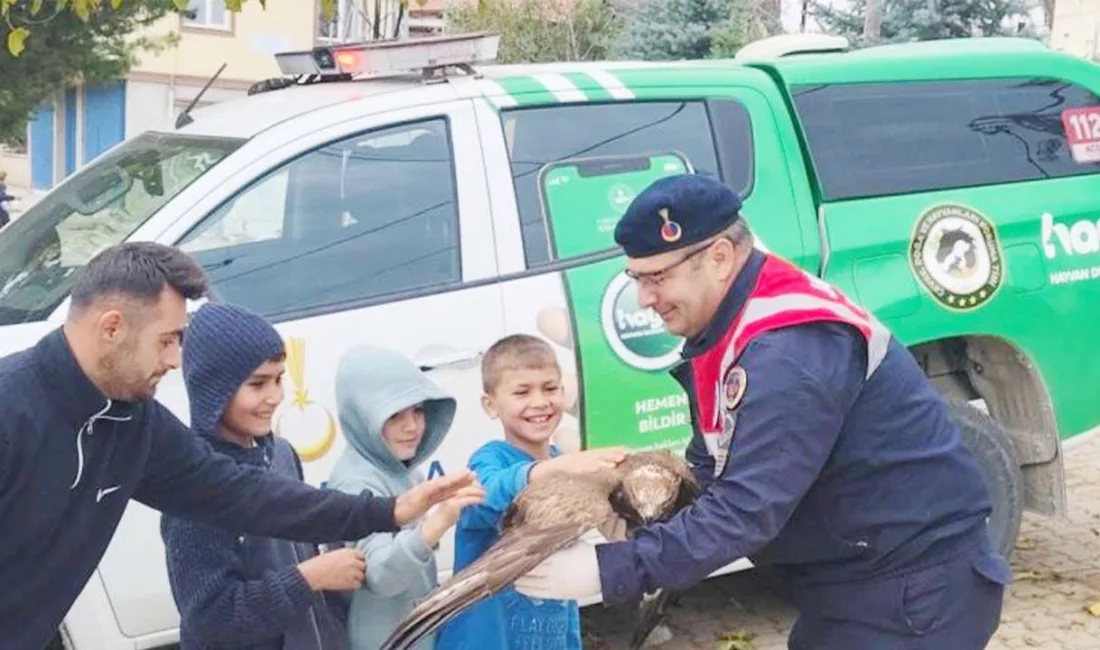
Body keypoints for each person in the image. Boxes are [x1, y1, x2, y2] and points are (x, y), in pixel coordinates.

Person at [512, 174, 1012, 649]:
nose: (644, 298)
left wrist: (609, 570)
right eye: (636, 278)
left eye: (656, 277)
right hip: (859, 582)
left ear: (721, 257)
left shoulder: (785, 351)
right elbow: (719, 466)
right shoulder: (732, 326)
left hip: (910, 597)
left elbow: (746, 510)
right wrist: (647, 529)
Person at [0, 241, 483, 650]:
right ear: (111, 327)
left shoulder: (135, 421)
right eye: (166, 340)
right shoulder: (12, 407)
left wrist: (388, 511)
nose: (173, 360)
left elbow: (244, 494)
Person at [161, 301, 362, 650]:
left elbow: (304, 556)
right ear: (213, 389)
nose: (275, 396)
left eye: (279, 379)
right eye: (257, 384)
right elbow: (211, 621)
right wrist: (311, 577)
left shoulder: (281, 454)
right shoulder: (192, 488)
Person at [436, 334, 627, 650]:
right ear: (490, 405)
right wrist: (553, 470)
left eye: (549, 388)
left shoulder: (562, 463)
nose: (539, 402)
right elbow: (490, 494)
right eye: (522, 392)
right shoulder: (490, 460)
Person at [326, 344, 480, 650]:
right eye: (394, 415)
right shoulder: (356, 483)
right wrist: (437, 524)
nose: (412, 426)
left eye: (418, 411)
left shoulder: (398, 468)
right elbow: (380, 575)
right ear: (362, 416)